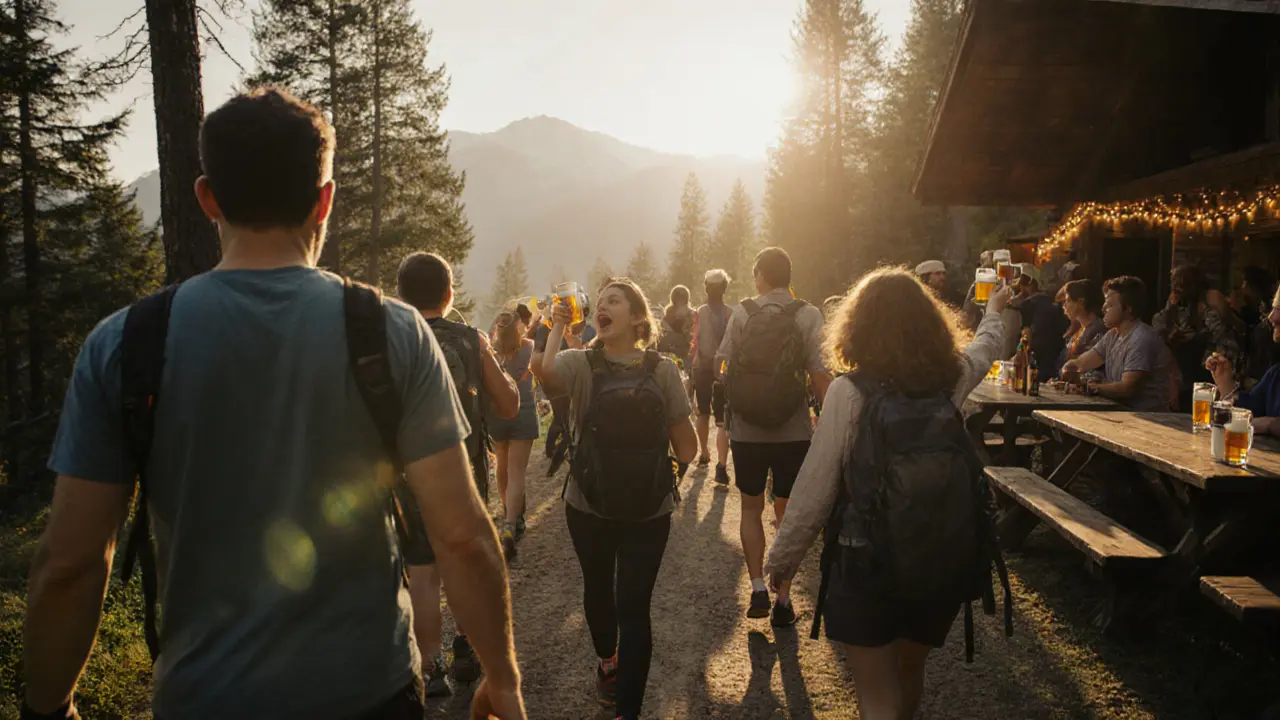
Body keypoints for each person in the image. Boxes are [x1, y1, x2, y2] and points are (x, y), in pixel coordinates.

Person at [24, 89, 524, 719]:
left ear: (208, 198)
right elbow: (462, 535)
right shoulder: (390, 332)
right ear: (325, 202)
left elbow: (70, 562)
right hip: (369, 695)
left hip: (204, 699)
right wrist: (501, 678)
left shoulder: (124, 343)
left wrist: (48, 704)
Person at [765, 268, 1012, 720]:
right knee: (909, 671)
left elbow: (815, 487)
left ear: (857, 325)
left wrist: (782, 560)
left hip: (867, 561)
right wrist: (994, 310)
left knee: (876, 691)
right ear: (930, 324)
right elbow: (986, 347)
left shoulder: (847, 392)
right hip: (938, 557)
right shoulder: (949, 381)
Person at [539, 279, 697, 720]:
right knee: (635, 608)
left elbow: (545, 372)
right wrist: (664, 477)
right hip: (651, 509)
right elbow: (688, 448)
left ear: (638, 317)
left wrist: (555, 328)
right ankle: (629, 710)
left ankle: (609, 665)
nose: (602, 307)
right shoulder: (662, 369)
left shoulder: (580, 364)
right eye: (600, 302)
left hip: (588, 502)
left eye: (614, 301)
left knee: (599, 588)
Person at [396, 252, 521, 697]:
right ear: (450, 295)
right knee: (463, 565)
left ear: (401, 296)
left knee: (423, 573)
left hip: (406, 477)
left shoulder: (395, 338)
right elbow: (509, 405)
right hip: (464, 472)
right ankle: (466, 651)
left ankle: (430, 671)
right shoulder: (470, 339)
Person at [716, 247, 832, 627]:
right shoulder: (809, 314)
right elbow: (819, 372)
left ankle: (756, 588)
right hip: (793, 430)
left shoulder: (743, 312)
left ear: (761, 276)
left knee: (751, 509)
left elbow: (724, 364)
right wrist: (831, 423)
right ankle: (783, 597)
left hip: (747, 429)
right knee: (787, 512)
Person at [1062, 276, 1175, 411]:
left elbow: (1127, 388)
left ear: (1129, 309)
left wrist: (1089, 387)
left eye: (1110, 305)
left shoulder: (1141, 338)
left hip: (1149, 418)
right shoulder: (1112, 335)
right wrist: (1069, 369)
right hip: (1122, 414)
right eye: (1105, 303)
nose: (1103, 309)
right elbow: (1082, 363)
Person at [1153, 264, 1242, 411]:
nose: (1177, 287)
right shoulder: (1176, 304)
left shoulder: (1207, 301)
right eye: (1175, 283)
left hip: (1211, 361)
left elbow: (1220, 332)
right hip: (1185, 365)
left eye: (1181, 283)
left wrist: (1196, 336)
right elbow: (1159, 323)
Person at [488, 305, 539, 559]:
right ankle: (511, 524)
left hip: (497, 412)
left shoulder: (491, 351)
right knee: (517, 472)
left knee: (502, 466)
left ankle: (509, 515)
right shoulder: (529, 347)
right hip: (524, 413)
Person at [1207, 285, 1280, 437]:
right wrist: (1226, 385)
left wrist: (1272, 424)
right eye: (1273, 308)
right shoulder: (1276, 374)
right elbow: (1248, 412)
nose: (1271, 317)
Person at [690, 269, 735, 484]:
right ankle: (722, 465)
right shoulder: (730, 313)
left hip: (702, 368)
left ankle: (704, 453)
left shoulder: (700, 312)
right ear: (725, 288)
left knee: (702, 412)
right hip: (724, 371)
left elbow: (694, 341)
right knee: (722, 420)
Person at [1010, 265, 1068, 380]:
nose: (1021, 287)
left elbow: (1026, 336)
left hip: (1035, 363)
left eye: (1024, 282)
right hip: (1052, 364)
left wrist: (1019, 353)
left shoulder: (1029, 304)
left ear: (1034, 284)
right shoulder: (1050, 303)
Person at [1056, 279, 1107, 372]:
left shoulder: (1098, 330)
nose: (1064, 306)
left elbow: (1090, 369)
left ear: (1081, 302)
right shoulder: (1078, 329)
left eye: (1068, 300)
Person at [657, 284, 695, 371]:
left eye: (682, 297)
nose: (680, 300)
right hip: (672, 359)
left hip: (683, 358)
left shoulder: (692, 315)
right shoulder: (668, 316)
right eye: (679, 297)